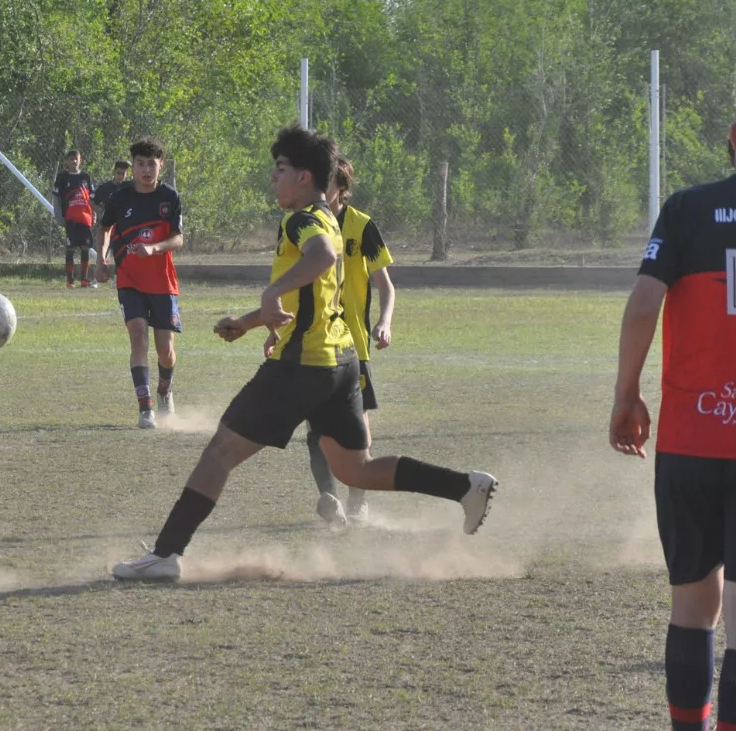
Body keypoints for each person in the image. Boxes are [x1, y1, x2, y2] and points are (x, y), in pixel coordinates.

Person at [112, 126, 496, 581]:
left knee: (219, 452)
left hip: (301, 368)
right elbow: (311, 291)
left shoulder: (303, 221)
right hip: (340, 363)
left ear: (304, 176)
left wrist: (273, 289)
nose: (272, 179)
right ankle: (466, 487)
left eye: (280, 170)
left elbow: (323, 257)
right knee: (357, 469)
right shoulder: (330, 215)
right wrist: (253, 320)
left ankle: (166, 554)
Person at [610, 78, 736, 731]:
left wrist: (626, 392)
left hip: (689, 442)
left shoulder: (688, 207)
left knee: (691, 607)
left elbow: (642, 303)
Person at [299, 157, 395, 529]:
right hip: (312, 340)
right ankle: (328, 496)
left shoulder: (361, 225)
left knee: (357, 422)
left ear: (341, 186)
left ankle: (359, 498)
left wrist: (384, 323)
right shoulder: (303, 223)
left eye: (329, 181)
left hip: (353, 343)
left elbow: (386, 286)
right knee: (315, 424)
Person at [95, 139, 183, 428]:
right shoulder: (120, 198)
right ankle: (145, 408)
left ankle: (164, 391)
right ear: (133, 167)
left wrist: (155, 248)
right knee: (138, 338)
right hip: (129, 280)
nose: (146, 169)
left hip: (162, 282)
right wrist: (101, 260)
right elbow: (105, 228)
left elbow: (178, 238)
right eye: (141, 164)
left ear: (162, 165)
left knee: (165, 351)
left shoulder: (170, 197)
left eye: (152, 164)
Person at [53, 149, 96, 288]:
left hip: (85, 218)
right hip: (70, 219)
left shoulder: (85, 177)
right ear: (67, 161)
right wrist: (59, 217)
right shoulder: (62, 177)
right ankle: (69, 280)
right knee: (70, 248)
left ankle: (84, 279)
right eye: (71, 159)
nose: (74, 161)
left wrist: (93, 214)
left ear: (80, 160)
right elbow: (56, 199)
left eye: (76, 158)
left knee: (85, 248)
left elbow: (92, 198)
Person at [92, 159, 131, 286]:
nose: (121, 176)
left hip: (122, 227)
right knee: (103, 253)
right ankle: (97, 278)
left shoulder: (128, 188)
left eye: (124, 173)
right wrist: (99, 212)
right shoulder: (105, 188)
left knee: (120, 252)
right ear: (114, 173)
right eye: (119, 173)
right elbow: (92, 201)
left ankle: (117, 278)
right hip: (107, 226)